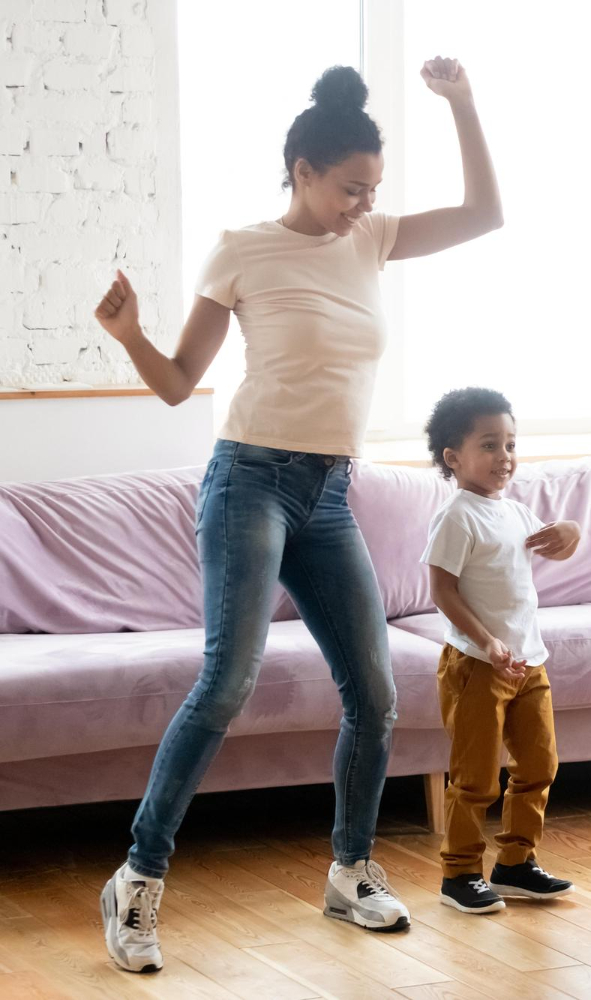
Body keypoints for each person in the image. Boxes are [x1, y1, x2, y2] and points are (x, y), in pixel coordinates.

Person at [92, 59, 503, 972]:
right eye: (350, 188)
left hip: (329, 493)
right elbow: (175, 387)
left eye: (374, 190)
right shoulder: (242, 248)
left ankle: (350, 870)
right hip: (248, 481)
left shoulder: (373, 237)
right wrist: (129, 338)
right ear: (301, 170)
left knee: (375, 692)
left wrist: (464, 106)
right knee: (227, 682)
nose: (363, 205)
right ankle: (138, 880)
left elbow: (484, 216)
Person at [421, 388, 581, 913]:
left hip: (528, 662)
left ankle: (516, 863)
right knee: (476, 777)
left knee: (539, 765)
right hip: (475, 666)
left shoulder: (514, 512)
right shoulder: (457, 516)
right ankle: (459, 873)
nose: (505, 456)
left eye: (510, 443)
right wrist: (487, 642)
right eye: (489, 445)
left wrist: (571, 530)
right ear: (454, 458)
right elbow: (442, 589)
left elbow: (555, 542)